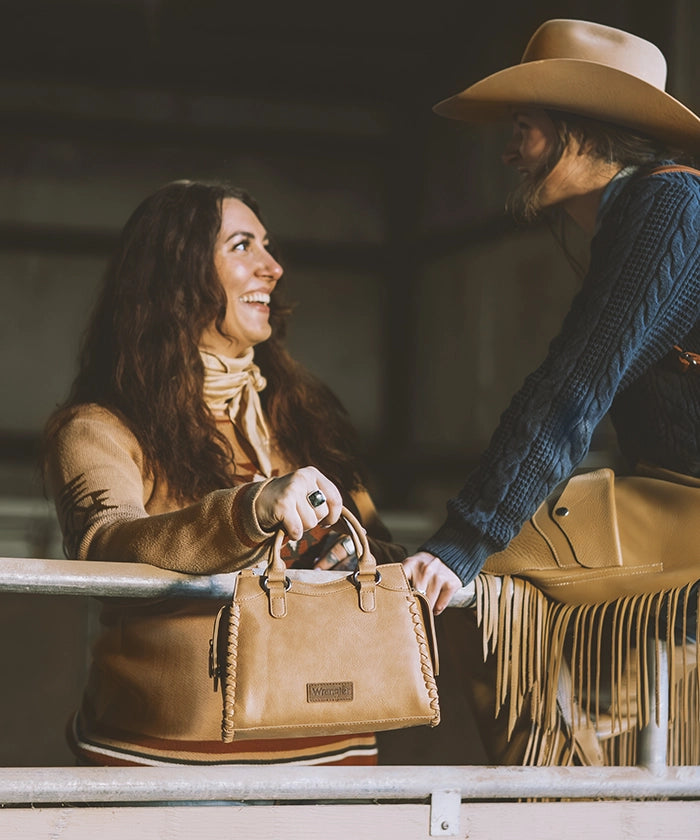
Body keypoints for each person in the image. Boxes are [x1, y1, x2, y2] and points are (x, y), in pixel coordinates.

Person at [403, 18, 700, 761]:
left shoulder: (667, 210)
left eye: (524, 129)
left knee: (485, 579)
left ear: (583, 127)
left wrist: (463, 543)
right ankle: (578, 770)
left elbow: (573, 387)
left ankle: (553, 789)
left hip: (686, 504)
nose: (509, 153)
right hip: (670, 496)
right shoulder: (642, 213)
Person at [42, 179, 405, 766]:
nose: (272, 268)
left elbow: (379, 544)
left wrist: (345, 551)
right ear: (174, 274)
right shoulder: (96, 427)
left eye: (267, 246)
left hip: (335, 755)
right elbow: (104, 547)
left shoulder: (303, 414)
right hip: (172, 764)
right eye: (241, 246)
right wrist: (250, 510)